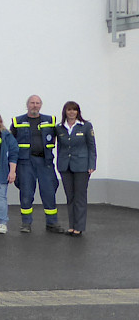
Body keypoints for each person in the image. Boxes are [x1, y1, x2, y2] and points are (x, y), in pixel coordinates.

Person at [10, 95, 64, 234]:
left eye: (37, 103)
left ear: (41, 105)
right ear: (27, 104)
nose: (35, 105)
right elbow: (11, 144)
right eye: (32, 103)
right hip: (25, 162)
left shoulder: (50, 120)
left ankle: (52, 223)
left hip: (45, 161)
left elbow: (62, 137)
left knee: (49, 192)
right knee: (26, 193)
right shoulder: (17, 121)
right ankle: (26, 223)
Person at [56, 101, 96, 237]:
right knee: (70, 197)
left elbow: (92, 147)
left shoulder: (85, 126)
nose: (72, 112)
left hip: (81, 166)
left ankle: (79, 226)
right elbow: (59, 147)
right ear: (65, 112)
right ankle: (72, 226)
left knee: (80, 197)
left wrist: (92, 165)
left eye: (74, 110)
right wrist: (58, 164)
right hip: (65, 166)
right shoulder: (60, 127)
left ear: (78, 112)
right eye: (69, 110)